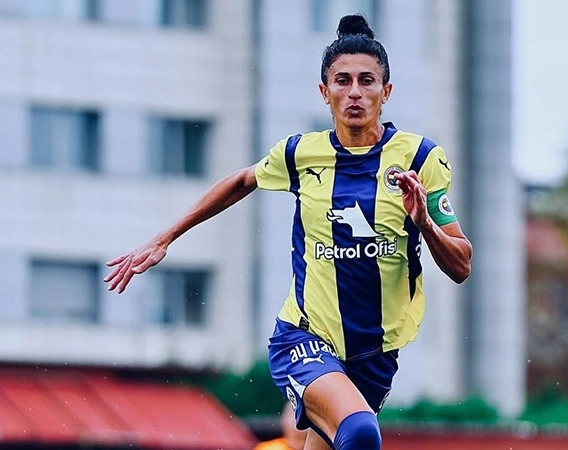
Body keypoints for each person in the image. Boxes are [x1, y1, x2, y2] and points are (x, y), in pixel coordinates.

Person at [104, 13, 472, 450]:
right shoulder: (300, 153)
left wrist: (424, 223)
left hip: (374, 355)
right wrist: (164, 238)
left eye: (367, 81)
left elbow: (461, 264)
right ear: (324, 92)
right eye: (342, 81)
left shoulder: (420, 159)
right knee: (359, 432)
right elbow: (242, 180)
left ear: (386, 91)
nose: (355, 92)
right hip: (305, 336)